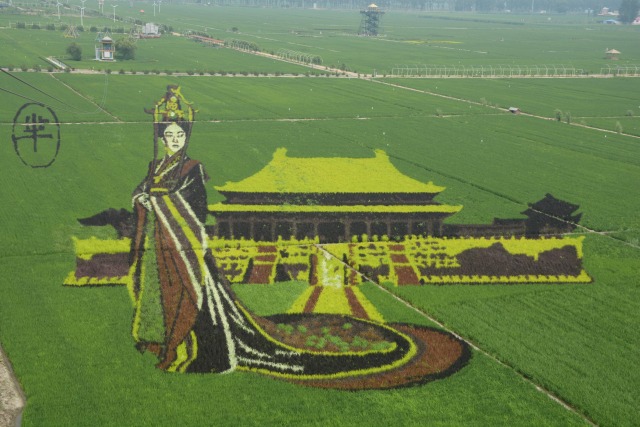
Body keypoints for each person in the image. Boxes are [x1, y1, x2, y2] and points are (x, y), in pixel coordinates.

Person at [129, 86, 415, 377]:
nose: (175, 141)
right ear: (161, 138)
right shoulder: (157, 166)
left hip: (186, 247)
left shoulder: (192, 169)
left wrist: (158, 202)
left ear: (186, 137)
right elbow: (141, 192)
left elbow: (197, 210)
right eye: (170, 136)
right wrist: (143, 199)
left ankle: (198, 346)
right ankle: (165, 337)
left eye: (180, 136)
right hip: (163, 247)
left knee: (197, 298)